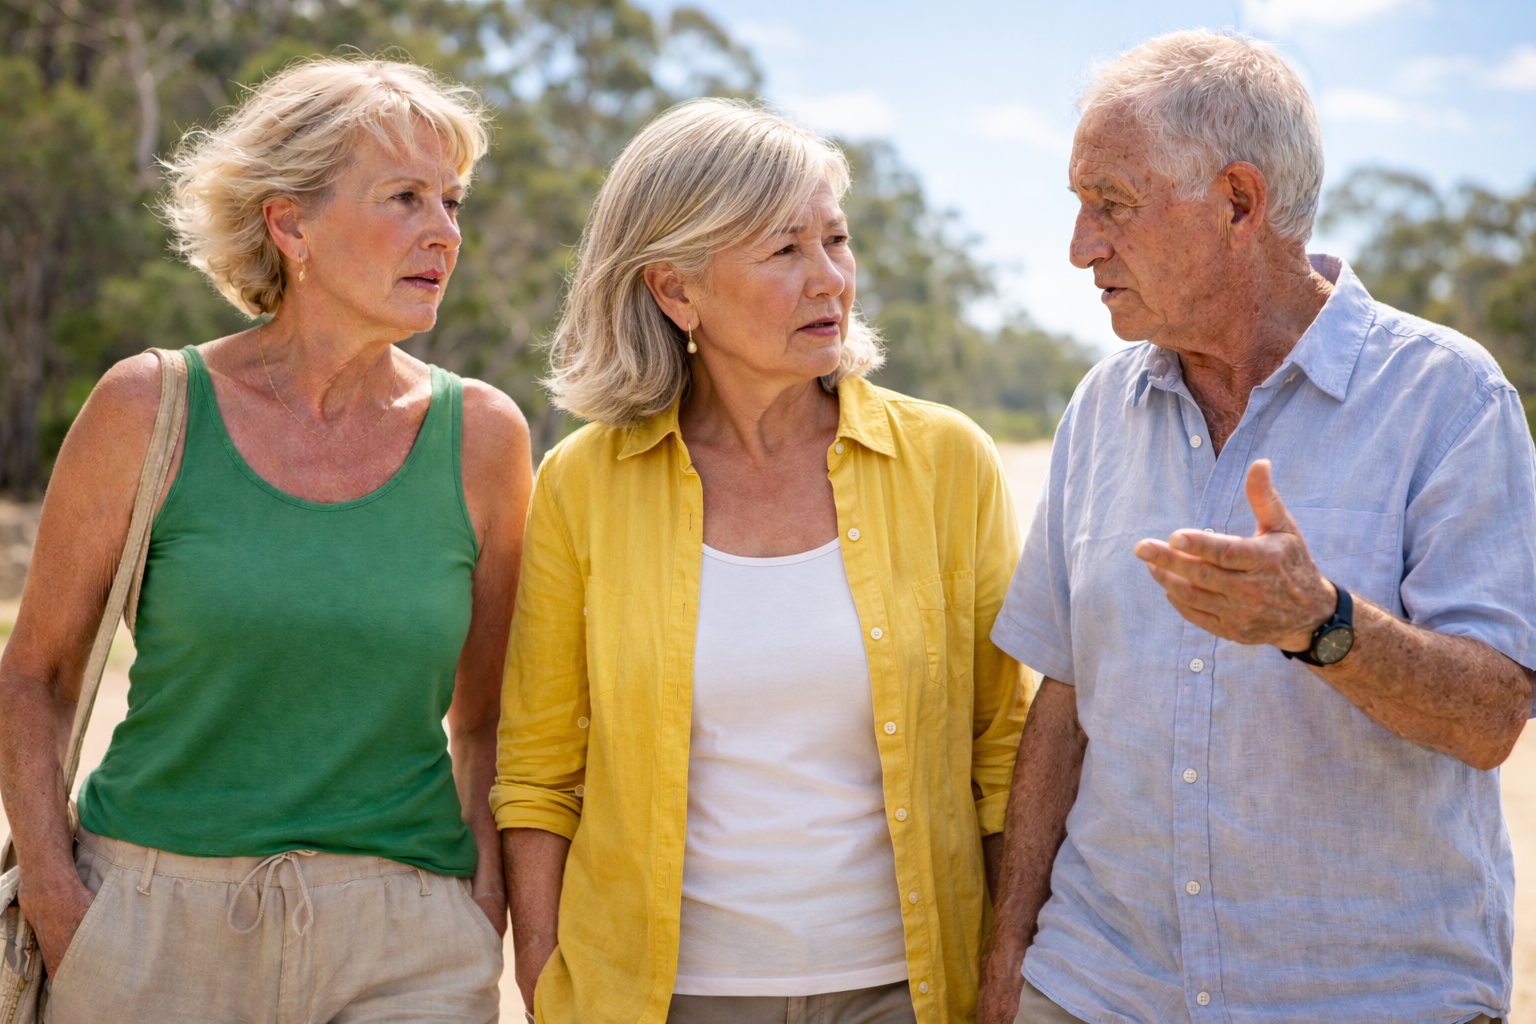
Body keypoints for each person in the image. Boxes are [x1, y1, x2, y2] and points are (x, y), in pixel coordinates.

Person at [975, 29, 1536, 1024]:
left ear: (1238, 202)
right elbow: (1061, 703)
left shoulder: (1451, 401)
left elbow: (1492, 716)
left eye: (1111, 204)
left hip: (1372, 1001)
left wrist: (1323, 625)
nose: (1078, 247)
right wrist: (1010, 959)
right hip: (1100, 990)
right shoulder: (1099, 408)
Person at [0, 57, 532, 1022]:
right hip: (154, 929)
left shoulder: (486, 438)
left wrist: (480, 907)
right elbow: (34, 675)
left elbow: (485, 722)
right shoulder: (145, 408)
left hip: (405, 941)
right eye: (404, 197)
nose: (445, 233)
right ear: (291, 225)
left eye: (452, 201)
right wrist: (54, 895)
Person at [491, 98, 1032, 1024]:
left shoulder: (947, 461)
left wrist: (1004, 971)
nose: (829, 280)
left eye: (836, 241)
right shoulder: (582, 482)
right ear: (675, 289)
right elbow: (541, 769)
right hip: (662, 1000)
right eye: (784, 251)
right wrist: (547, 982)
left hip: (907, 993)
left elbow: (1003, 748)